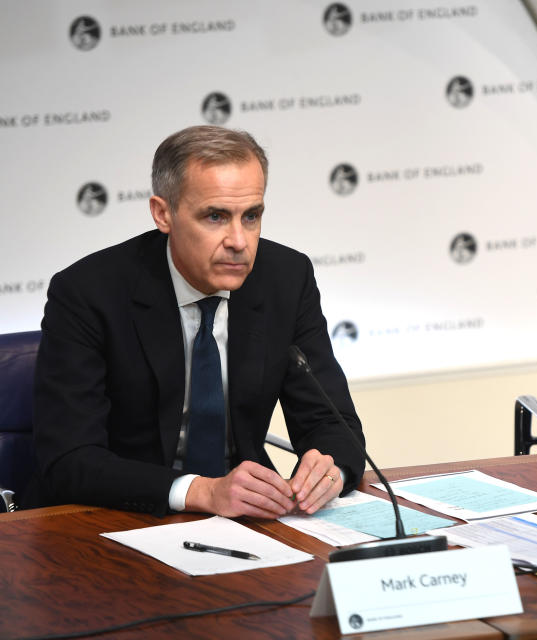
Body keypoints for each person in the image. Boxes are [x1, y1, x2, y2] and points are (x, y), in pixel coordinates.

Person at [24, 125, 364, 517]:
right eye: (216, 216)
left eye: (251, 216)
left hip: (244, 519)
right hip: (116, 516)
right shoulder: (88, 293)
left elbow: (331, 421)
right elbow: (69, 459)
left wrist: (330, 470)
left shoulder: (286, 278)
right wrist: (200, 491)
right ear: (163, 213)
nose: (239, 241)